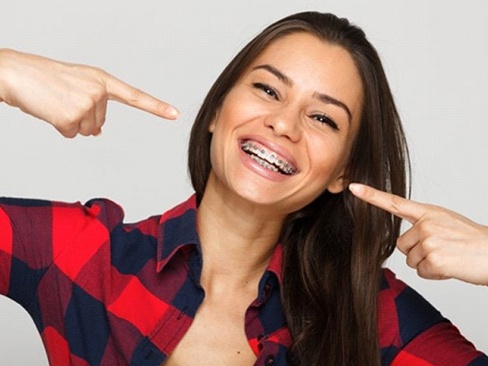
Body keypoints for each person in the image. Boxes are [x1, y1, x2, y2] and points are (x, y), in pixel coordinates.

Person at [0, 11, 487, 366]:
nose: (283, 123)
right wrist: (4, 68)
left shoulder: (370, 313)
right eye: (268, 90)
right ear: (217, 110)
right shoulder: (86, 255)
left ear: (343, 171)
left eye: (322, 118)